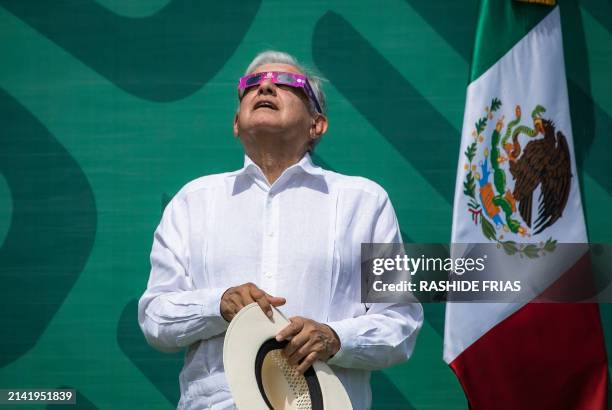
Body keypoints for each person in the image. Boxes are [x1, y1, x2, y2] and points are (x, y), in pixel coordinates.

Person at [138, 50, 423, 410]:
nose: (266, 86)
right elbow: (154, 318)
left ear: (317, 124)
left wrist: (335, 338)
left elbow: (402, 322)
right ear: (236, 123)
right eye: (251, 84)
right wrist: (217, 303)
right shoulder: (193, 202)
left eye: (289, 83)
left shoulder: (364, 201)